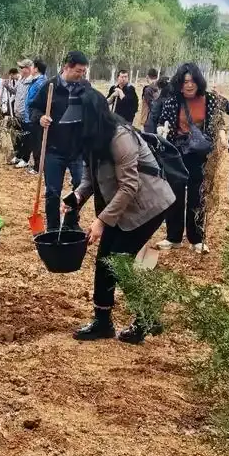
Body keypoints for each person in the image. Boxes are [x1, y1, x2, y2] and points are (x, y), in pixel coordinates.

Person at [58, 89, 175, 343]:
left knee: (119, 261)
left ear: (92, 117)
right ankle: (102, 322)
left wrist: (101, 221)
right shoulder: (91, 140)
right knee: (105, 261)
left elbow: (130, 187)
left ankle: (146, 317)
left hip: (147, 205)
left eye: (79, 121)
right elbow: (89, 180)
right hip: (120, 206)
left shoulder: (120, 138)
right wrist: (76, 198)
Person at [155, 63, 221, 254]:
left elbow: (216, 125)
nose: (189, 85)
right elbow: (163, 121)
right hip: (177, 153)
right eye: (185, 82)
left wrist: (221, 138)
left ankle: (196, 239)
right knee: (174, 194)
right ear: (179, 84)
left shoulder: (209, 99)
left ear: (198, 81)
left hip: (198, 154)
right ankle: (173, 237)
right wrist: (162, 130)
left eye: (192, 81)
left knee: (197, 196)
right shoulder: (173, 100)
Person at [33, 51, 88, 231]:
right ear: (66, 67)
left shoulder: (84, 87)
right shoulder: (50, 86)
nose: (81, 75)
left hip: (77, 150)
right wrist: (41, 117)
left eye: (83, 72)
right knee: (53, 192)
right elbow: (33, 108)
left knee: (80, 186)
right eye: (78, 71)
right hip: (53, 149)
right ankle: (53, 227)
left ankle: (71, 221)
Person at [23, 58, 48, 176]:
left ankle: (39, 167)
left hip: (38, 117)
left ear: (36, 68)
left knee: (38, 143)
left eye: (32, 66)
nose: (31, 69)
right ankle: (37, 165)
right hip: (32, 116)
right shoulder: (35, 81)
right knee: (35, 142)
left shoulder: (41, 83)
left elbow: (37, 101)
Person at [12, 59, 35, 168]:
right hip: (18, 114)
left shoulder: (32, 81)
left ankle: (25, 159)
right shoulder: (21, 80)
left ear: (29, 68)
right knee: (17, 137)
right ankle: (18, 156)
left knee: (27, 138)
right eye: (20, 67)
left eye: (23, 68)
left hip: (26, 115)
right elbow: (16, 93)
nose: (20, 70)